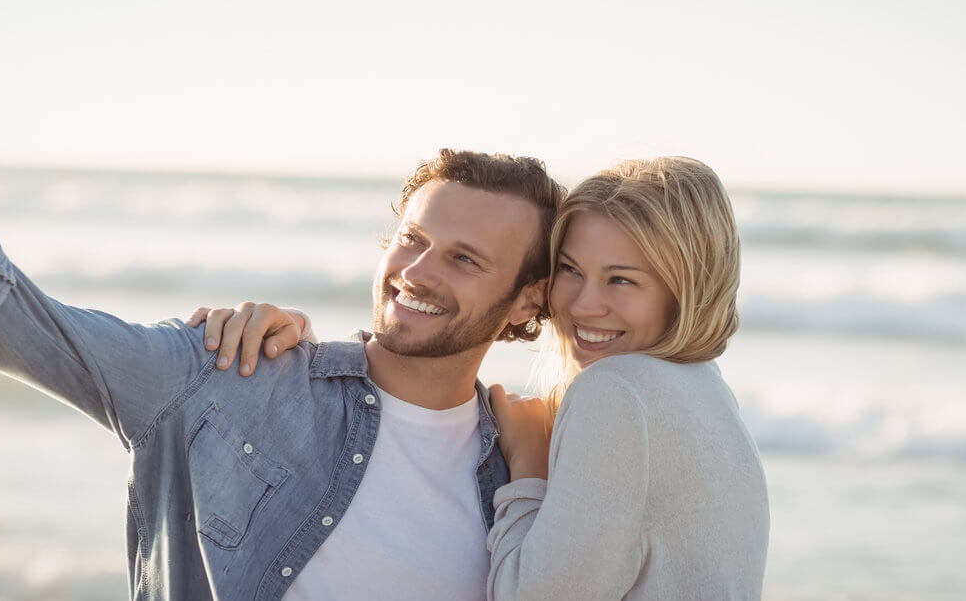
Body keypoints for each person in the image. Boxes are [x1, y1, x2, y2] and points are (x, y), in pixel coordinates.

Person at [0, 45, 566, 601]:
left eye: (464, 259)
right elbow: (8, 320)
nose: (416, 273)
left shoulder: (527, 466)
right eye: (413, 240)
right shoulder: (228, 373)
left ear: (528, 299)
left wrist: (534, 466)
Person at [217, 157, 769, 599]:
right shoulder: (708, 393)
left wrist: (527, 464)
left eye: (621, 281)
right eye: (571, 271)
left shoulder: (616, 390)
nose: (582, 305)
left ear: (686, 289)